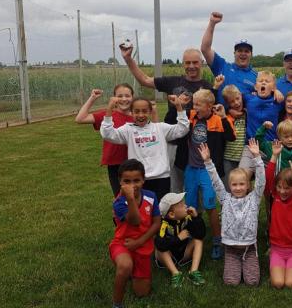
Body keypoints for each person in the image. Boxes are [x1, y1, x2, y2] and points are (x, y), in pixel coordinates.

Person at [118, 43, 213, 193]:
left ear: (201, 63)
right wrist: (128, 58)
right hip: (172, 141)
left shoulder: (207, 86)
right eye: (187, 62)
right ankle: (171, 206)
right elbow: (144, 80)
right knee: (173, 184)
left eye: (195, 62)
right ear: (183, 64)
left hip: (196, 143)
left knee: (196, 184)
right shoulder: (173, 82)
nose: (191, 66)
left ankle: (194, 207)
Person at [168, 88, 235, 260]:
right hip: (191, 168)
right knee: (189, 206)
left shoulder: (219, 119)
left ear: (210, 105)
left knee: (210, 205)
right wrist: (177, 105)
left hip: (208, 170)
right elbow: (172, 121)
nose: (195, 107)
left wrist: (223, 117)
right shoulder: (190, 116)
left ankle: (217, 240)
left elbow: (231, 137)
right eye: (194, 104)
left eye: (198, 104)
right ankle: (191, 237)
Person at [100, 96, 190, 203]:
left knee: (161, 208)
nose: (141, 115)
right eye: (137, 111)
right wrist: (109, 109)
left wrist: (179, 106)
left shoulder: (160, 128)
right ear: (131, 112)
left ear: (150, 112)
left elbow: (182, 129)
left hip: (162, 177)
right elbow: (107, 134)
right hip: (139, 179)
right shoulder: (128, 130)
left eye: (144, 111)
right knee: (142, 208)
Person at [200, 139, 265, 286]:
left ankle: (247, 263)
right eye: (234, 184)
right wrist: (208, 161)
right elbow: (216, 182)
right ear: (229, 186)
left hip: (249, 248)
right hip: (231, 249)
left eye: (242, 184)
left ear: (248, 185)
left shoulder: (254, 198)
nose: (238, 188)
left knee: (252, 282)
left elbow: (261, 181)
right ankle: (234, 263)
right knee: (231, 282)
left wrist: (257, 158)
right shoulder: (225, 198)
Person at [107, 159, 162, 308]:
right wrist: (130, 199)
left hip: (142, 246)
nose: (132, 185)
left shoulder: (151, 196)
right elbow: (135, 221)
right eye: (127, 181)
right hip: (122, 244)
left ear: (143, 180)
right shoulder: (119, 202)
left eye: (136, 180)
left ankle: (131, 273)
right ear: (120, 182)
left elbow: (157, 223)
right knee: (125, 265)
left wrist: (139, 242)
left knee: (142, 293)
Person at [75, 84, 134, 196]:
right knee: (120, 197)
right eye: (120, 96)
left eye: (127, 96)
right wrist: (92, 98)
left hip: (134, 162)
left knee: (137, 195)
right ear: (114, 98)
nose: (124, 99)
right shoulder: (107, 115)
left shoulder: (138, 117)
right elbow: (80, 119)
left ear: (133, 97)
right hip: (115, 164)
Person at [264, 145, 292, 289]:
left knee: (291, 284)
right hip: (276, 248)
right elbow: (268, 179)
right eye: (280, 187)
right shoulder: (274, 197)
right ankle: (276, 263)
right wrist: (274, 156)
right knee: (278, 283)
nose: (282, 191)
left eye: (287, 188)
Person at [200, 11, 257, 104]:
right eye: (240, 51)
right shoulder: (222, 66)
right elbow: (205, 49)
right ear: (234, 53)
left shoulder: (257, 76)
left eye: (247, 51)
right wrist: (212, 23)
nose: (243, 54)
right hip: (221, 112)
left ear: (251, 54)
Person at [154, 192, 206, 287]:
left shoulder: (187, 218)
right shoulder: (163, 224)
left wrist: (196, 218)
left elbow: (201, 234)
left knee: (198, 240)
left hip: (183, 254)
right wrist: (178, 238)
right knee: (160, 249)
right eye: (182, 205)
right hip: (169, 257)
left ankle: (193, 271)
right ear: (172, 214)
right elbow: (160, 244)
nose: (186, 206)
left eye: (184, 203)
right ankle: (176, 274)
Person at [240, 70, 284, 177]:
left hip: (271, 147)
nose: (263, 83)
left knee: (272, 182)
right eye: (260, 81)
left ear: (273, 88)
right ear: (255, 87)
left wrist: (277, 91)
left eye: (267, 81)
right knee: (242, 176)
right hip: (251, 146)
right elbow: (232, 97)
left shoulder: (277, 101)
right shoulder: (248, 98)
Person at [217, 82, 247, 186]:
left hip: (244, 157)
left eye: (237, 98)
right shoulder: (226, 116)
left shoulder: (247, 112)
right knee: (228, 184)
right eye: (232, 101)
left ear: (241, 96)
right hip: (228, 157)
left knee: (244, 184)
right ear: (227, 103)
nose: (236, 103)